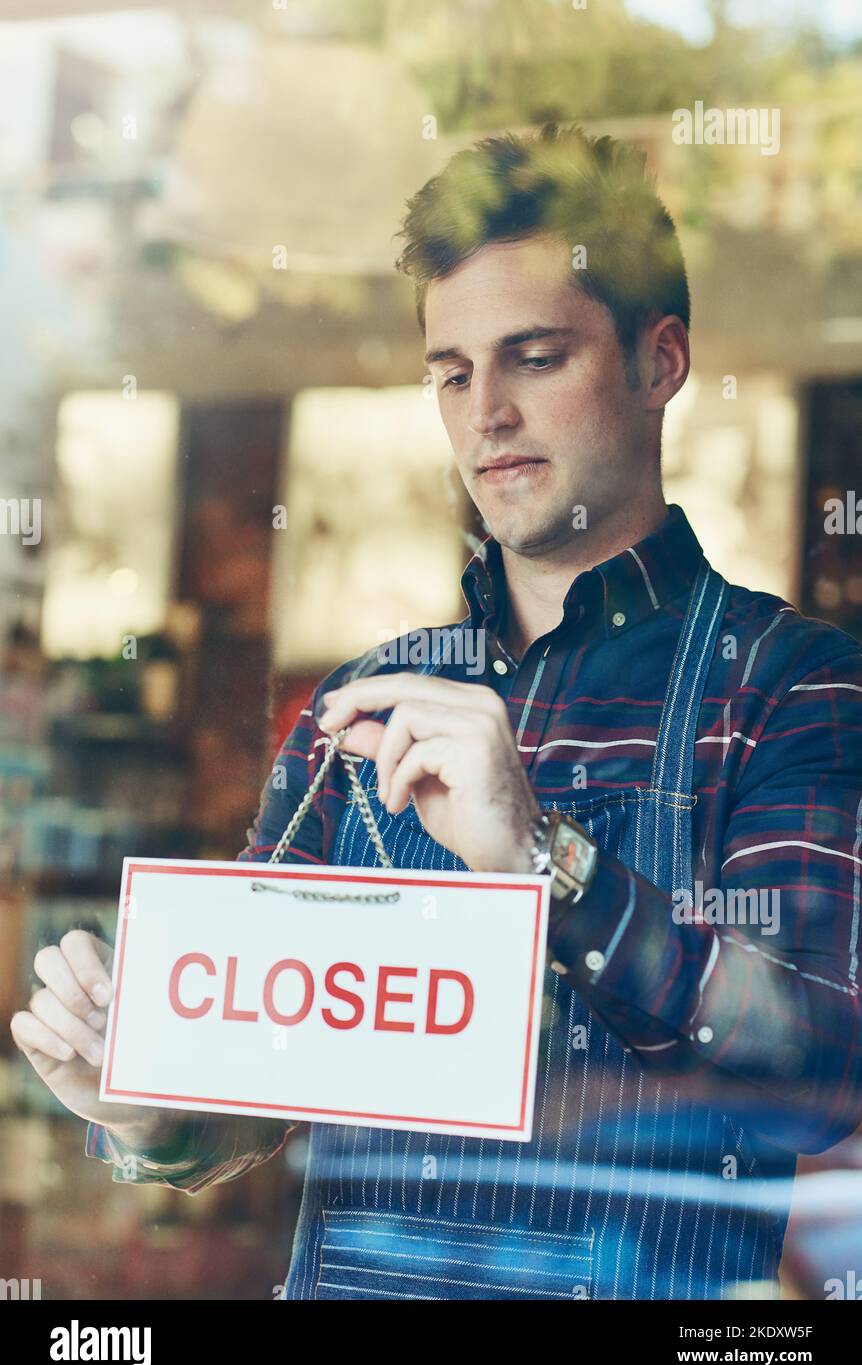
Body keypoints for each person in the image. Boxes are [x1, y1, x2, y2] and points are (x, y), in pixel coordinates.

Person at [12, 122, 862, 1301]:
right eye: (452, 372)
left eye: (534, 356)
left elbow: (814, 1073)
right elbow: (249, 1093)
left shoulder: (788, 684)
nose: (485, 414)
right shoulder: (357, 706)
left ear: (660, 361)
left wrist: (541, 859)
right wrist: (150, 1105)